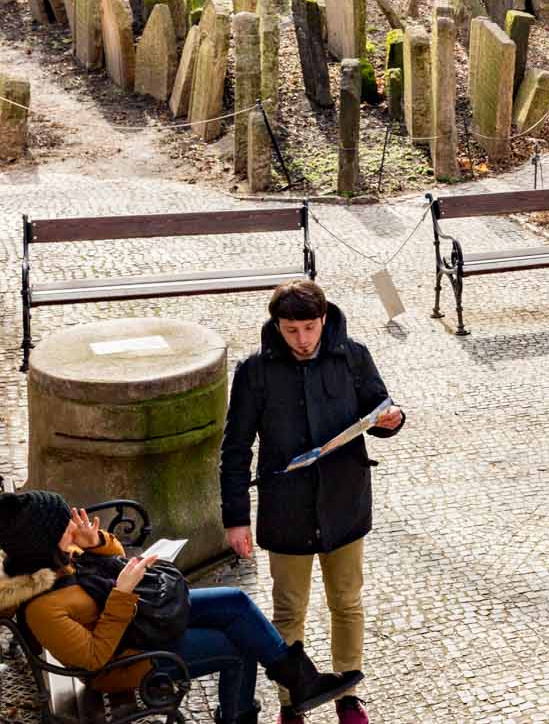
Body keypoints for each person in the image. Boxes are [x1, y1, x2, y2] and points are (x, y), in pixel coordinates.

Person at [0, 489, 360, 724]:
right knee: (237, 647)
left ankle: (301, 680)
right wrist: (122, 595)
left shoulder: (61, 555)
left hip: (140, 622)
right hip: (128, 659)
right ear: (42, 541)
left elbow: (114, 560)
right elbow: (94, 660)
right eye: (63, 525)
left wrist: (96, 542)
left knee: (236, 602)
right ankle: (238, 717)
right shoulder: (41, 608)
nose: (71, 525)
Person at [221, 281, 405, 724]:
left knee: (347, 602)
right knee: (288, 610)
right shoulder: (254, 372)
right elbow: (236, 449)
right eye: (291, 330)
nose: (302, 340)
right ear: (276, 326)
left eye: (309, 328)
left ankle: (348, 694)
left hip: (345, 501)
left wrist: (392, 420)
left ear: (324, 319)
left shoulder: (353, 356)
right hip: (286, 508)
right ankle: (292, 702)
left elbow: (380, 409)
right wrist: (236, 519)